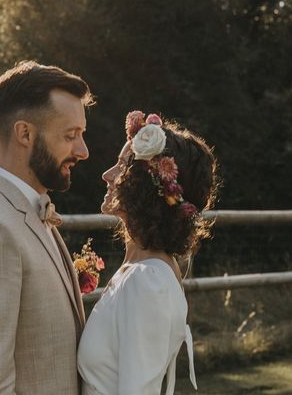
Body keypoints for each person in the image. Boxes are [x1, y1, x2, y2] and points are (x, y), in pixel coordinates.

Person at [0, 61, 94, 395]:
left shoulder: (28, 212)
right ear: (24, 133)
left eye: (81, 135)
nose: (82, 151)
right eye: (70, 136)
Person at [77, 111, 218, 395]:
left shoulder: (148, 282)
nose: (107, 175)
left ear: (144, 184)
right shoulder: (136, 270)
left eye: (121, 166)